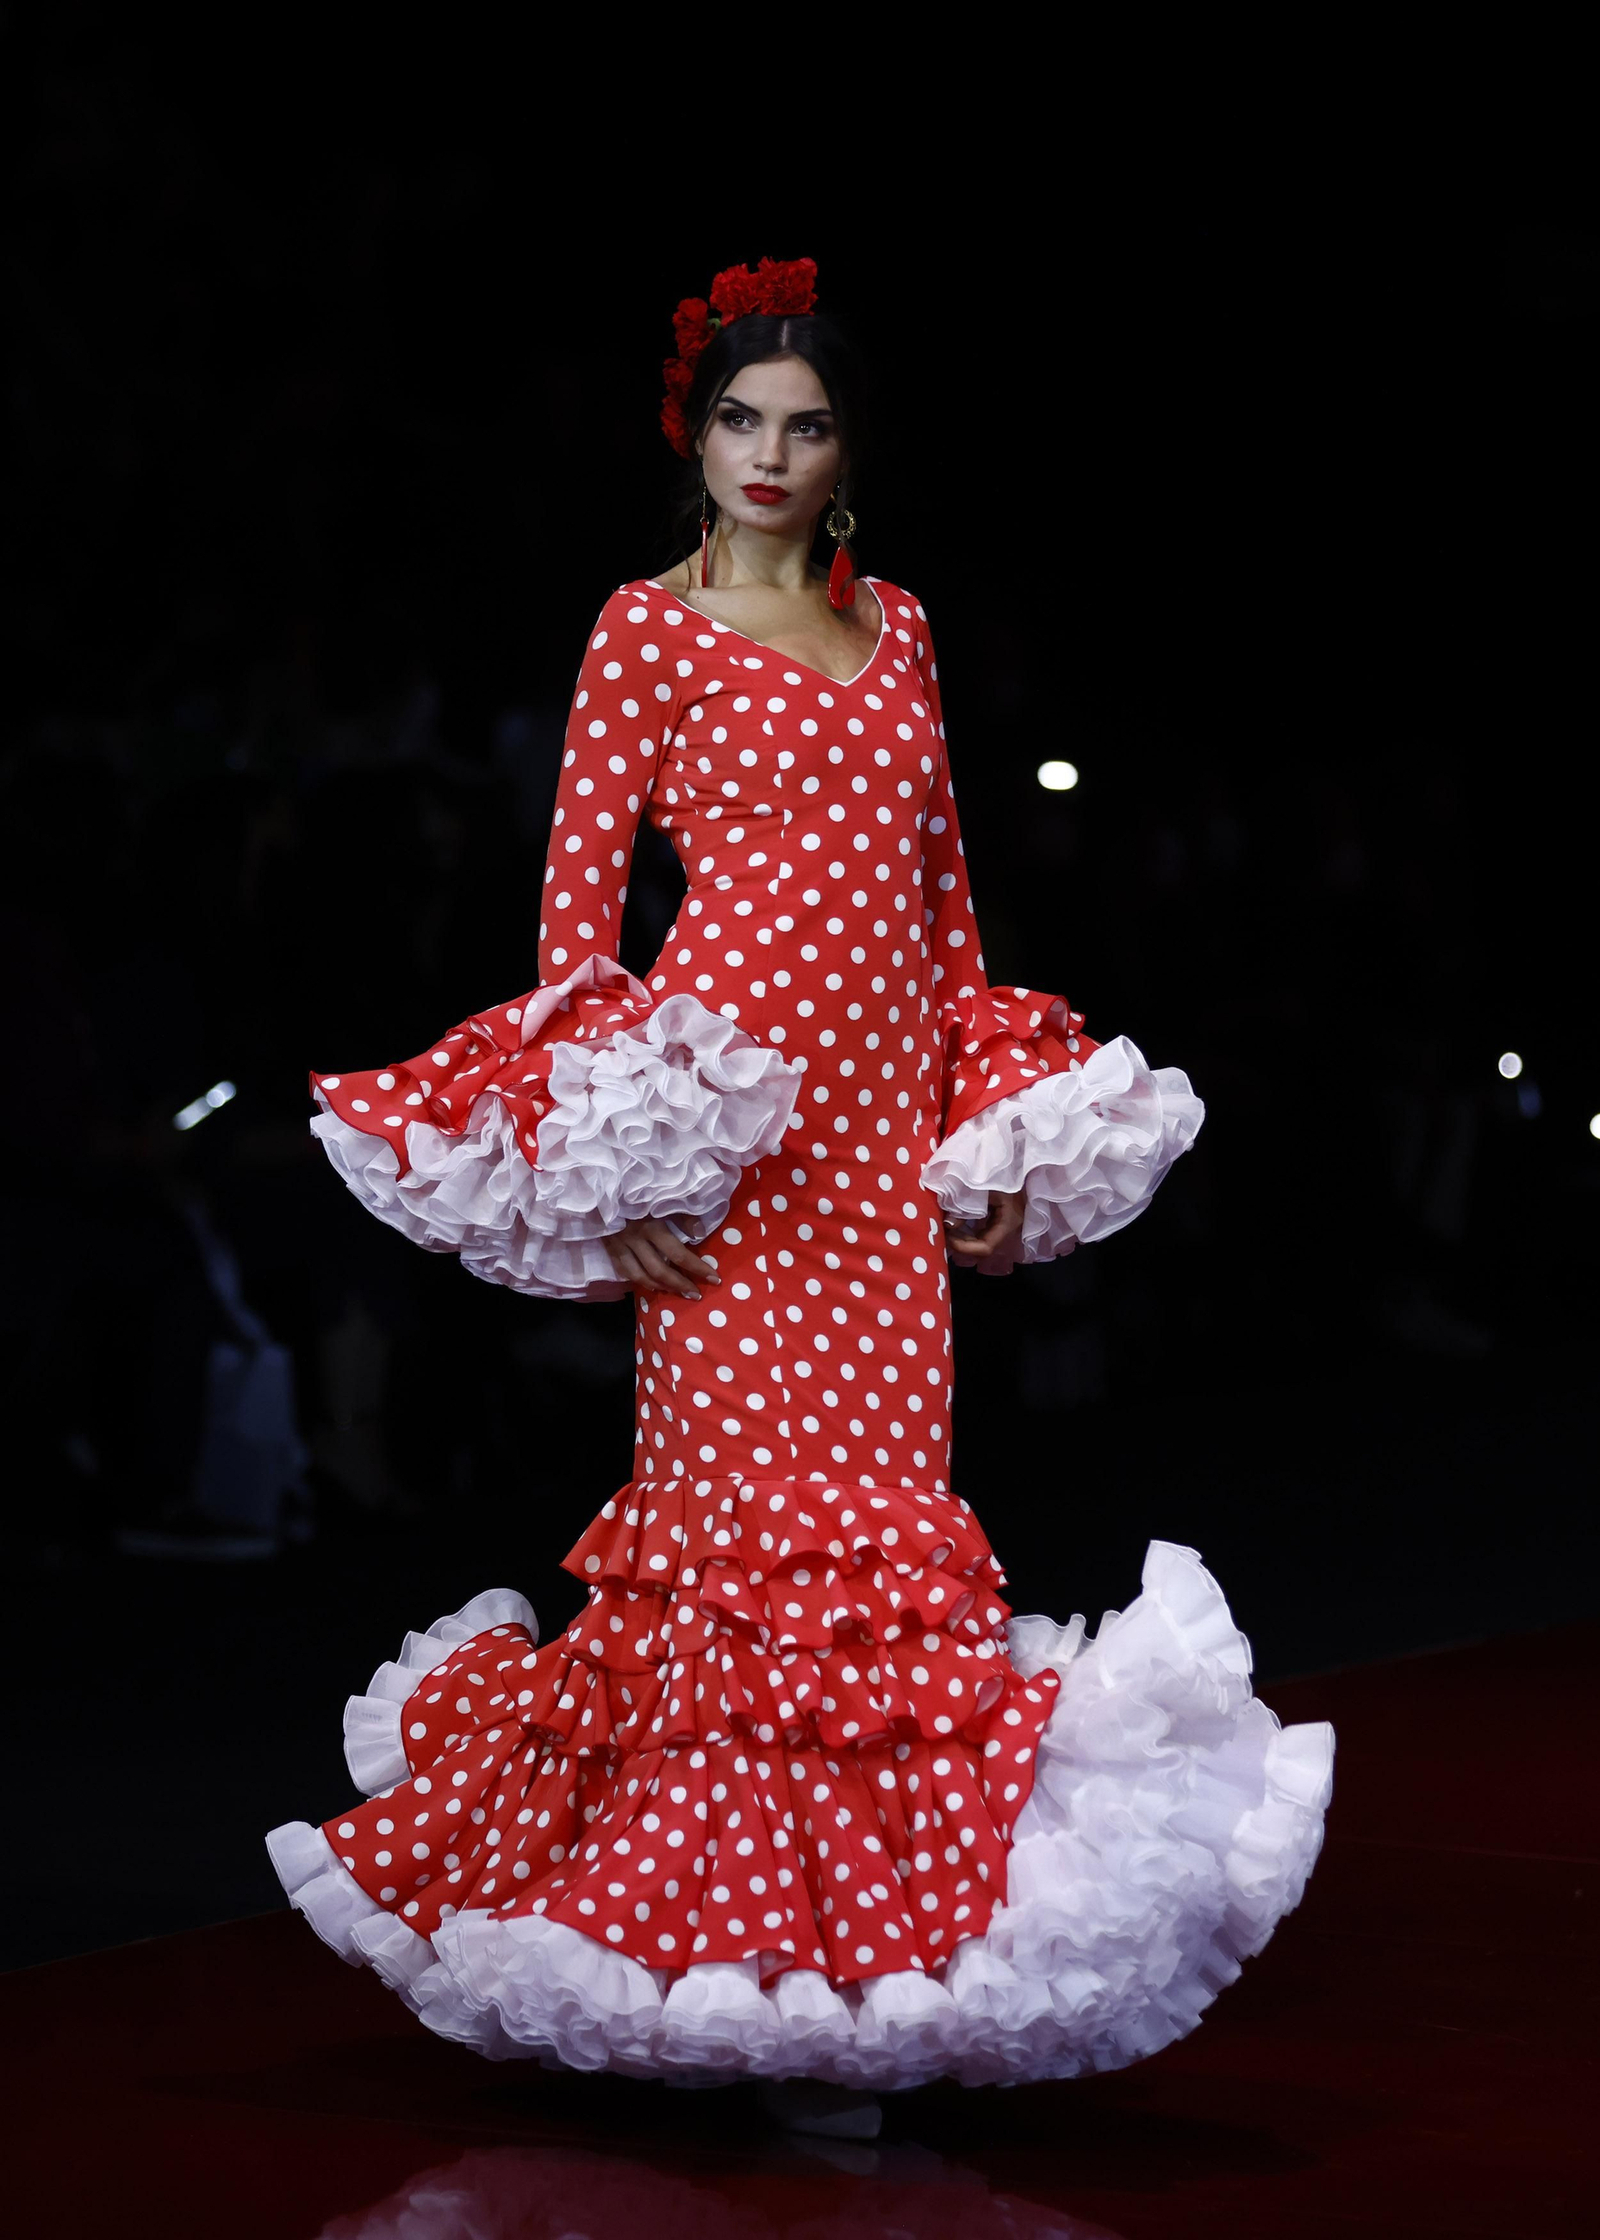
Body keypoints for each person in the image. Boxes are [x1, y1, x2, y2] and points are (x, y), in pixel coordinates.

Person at [266, 257, 1335, 2139]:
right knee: (743, 1553)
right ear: (696, 437)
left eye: (807, 423)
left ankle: (864, 1968)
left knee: (884, 1551)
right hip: (733, 1150)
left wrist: (987, 1142)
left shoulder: (905, 628)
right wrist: (608, 1179)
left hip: (873, 1167)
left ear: (848, 456)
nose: (770, 453)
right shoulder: (641, 631)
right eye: (741, 419)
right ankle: (716, 1970)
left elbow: (946, 915)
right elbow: (571, 929)